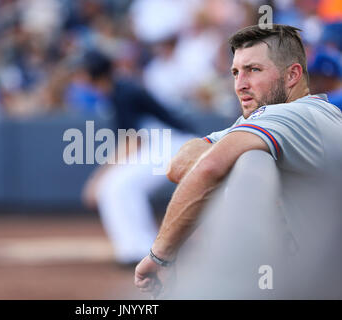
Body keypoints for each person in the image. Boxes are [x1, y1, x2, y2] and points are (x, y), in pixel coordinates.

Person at [134, 24, 342, 298]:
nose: (240, 84)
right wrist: (231, 156)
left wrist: (161, 256)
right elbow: (179, 166)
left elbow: (207, 167)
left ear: (292, 75)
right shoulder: (271, 118)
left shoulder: (295, 116)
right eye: (235, 72)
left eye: (254, 70)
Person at [79, 49, 197, 267]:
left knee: (119, 184)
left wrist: (97, 178)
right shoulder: (117, 90)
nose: (79, 77)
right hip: (162, 143)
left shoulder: (123, 92)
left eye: (82, 72)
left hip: (176, 144)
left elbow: (132, 142)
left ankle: (142, 251)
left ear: (92, 73)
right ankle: (134, 249)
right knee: (114, 186)